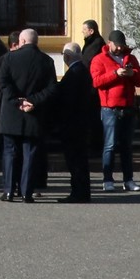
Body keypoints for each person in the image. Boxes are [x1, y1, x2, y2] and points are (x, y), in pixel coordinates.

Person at [0, 29, 55, 202]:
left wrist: (18, 101)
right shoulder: (47, 61)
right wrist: (32, 101)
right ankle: (26, 192)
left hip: (11, 113)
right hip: (34, 113)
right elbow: (51, 88)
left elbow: (3, 82)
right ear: (36, 42)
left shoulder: (9, 58)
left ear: (21, 41)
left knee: (10, 152)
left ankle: (8, 191)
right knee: (30, 153)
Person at [90, 30, 140, 192]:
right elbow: (96, 82)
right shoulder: (99, 59)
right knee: (110, 145)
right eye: (117, 45)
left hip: (128, 107)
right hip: (110, 108)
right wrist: (115, 73)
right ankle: (107, 180)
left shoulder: (131, 59)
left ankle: (128, 180)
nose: (120, 49)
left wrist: (132, 74)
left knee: (127, 146)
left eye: (122, 45)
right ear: (109, 43)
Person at [43, 39, 99, 203]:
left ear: (67, 57)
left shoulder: (75, 74)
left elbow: (68, 100)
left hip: (73, 124)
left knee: (76, 160)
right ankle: (81, 191)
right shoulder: (81, 71)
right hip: (79, 123)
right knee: (78, 160)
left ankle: (79, 193)